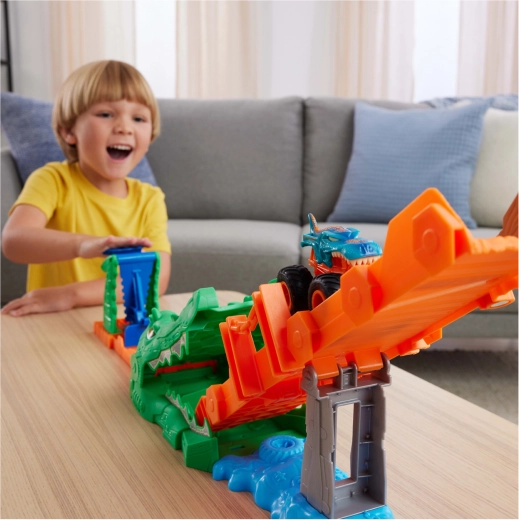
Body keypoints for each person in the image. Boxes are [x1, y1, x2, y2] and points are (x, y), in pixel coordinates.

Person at [2, 60, 171, 317]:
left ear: (150, 137)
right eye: (106, 114)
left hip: (117, 323)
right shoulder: (52, 180)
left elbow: (155, 280)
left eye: (138, 118)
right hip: (52, 321)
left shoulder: (150, 199)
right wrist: (82, 245)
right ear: (69, 131)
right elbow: (14, 241)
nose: (125, 128)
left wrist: (71, 295)